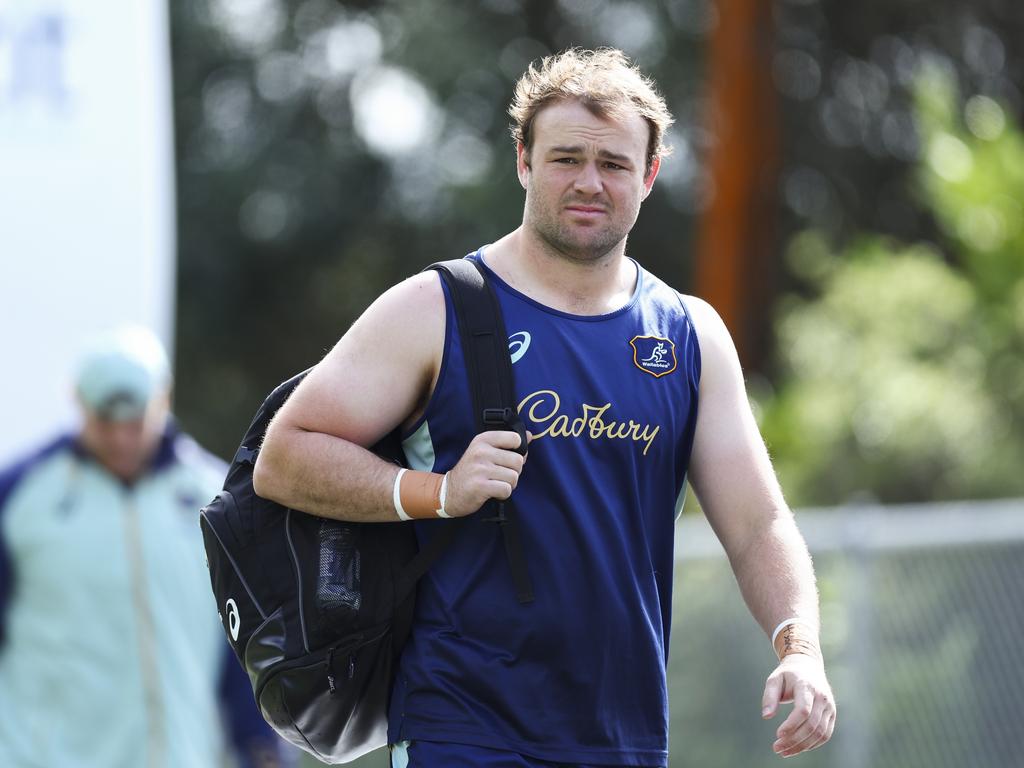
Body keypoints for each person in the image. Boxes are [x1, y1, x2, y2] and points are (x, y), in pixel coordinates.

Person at [254, 48, 836, 767]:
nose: (589, 182)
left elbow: (758, 524)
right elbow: (284, 456)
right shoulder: (435, 307)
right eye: (566, 159)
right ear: (524, 161)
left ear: (650, 176)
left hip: (624, 737)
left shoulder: (689, 333)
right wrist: (434, 492)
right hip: (461, 727)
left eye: (614, 164)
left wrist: (800, 645)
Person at [0, 325, 285, 768]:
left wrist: (265, 753)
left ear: (163, 400)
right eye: (104, 422)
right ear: (77, 403)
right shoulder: (18, 496)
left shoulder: (215, 498)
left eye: (134, 423)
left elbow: (242, 648)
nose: (120, 440)